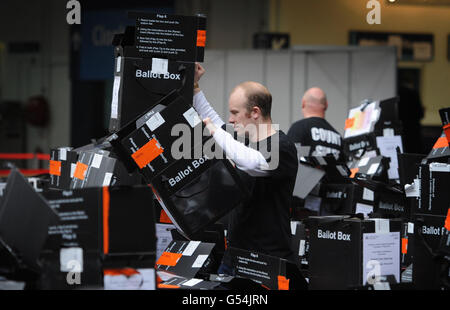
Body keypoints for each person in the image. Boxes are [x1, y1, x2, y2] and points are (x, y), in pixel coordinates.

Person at [193, 63, 298, 274]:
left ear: (255, 112)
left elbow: (252, 163)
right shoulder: (246, 143)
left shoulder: (282, 147)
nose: (231, 119)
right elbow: (214, 120)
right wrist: (194, 86)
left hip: (266, 262)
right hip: (235, 258)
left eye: (235, 113)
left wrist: (214, 132)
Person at [287, 87, 343, 159]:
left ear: (303, 103)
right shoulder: (338, 137)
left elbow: (289, 161)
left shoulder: (298, 128)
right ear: (326, 105)